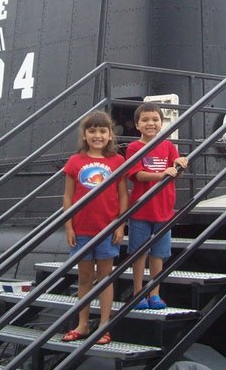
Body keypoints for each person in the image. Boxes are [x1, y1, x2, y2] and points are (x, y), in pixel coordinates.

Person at [61, 110, 128, 344]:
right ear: (84, 135)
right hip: (81, 230)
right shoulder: (75, 162)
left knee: (105, 278)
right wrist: (69, 227)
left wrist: (120, 225)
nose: (97, 135)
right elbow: (68, 197)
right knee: (85, 279)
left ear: (110, 134)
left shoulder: (117, 161)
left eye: (102, 131)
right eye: (92, 131)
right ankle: (82, 324)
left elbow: (122, 195)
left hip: (107, 229)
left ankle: (103, 325)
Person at [126, 103, 188, 310]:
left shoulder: (169, 147)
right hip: (141, 210)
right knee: (139, 253)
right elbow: (137, 175)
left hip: (164, 210)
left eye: (155, 119)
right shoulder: (134, 148)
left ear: (161, 123)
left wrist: (180, 165)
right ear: (137, 125)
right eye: (145, 120)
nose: (150, 123)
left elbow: (175, 175)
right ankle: (137, 293)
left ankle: (154, 293)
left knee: (158, 254)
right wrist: (162, 174)